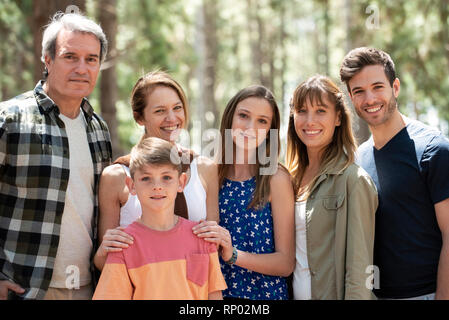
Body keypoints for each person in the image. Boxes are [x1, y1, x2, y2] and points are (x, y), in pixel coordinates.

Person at [0, 12, 112, 300]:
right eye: (70, 56)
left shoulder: (98, 128)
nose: (81, 68)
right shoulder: (10, 119)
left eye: (91, 59)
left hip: (89, 286)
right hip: (25, 286)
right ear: (47, 60)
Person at [340, 47, 449, 300]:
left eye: (378, 87)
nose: (370, 99)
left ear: (395, 87)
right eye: (359, 91)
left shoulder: (434, 150)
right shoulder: (357, 160)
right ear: (351, 97)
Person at [93, 71, 219, 271]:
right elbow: (107, 259)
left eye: (177, 108)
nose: (172, 118)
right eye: (160, 111)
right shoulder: (117, 176)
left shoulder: (204, 168)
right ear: (139, 117)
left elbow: (213, 247)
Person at [193, 85, 295, 300]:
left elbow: (285, 264)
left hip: (264, 297)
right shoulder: (209, 174)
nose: (250, 127)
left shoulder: (275, 178)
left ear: (270, 130)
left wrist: (233, 255)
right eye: (244, 116)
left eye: (262, 121)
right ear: (230, 117)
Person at [92, 137, 226, 300]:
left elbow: (214, 297)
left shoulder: (202, 239)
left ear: (181, 182)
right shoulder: (123, 245)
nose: (157, 186)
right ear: (132, 185)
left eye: (166, 177)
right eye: (146, 178)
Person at [285, 75, 378, 300]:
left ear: (338, 117)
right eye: (302, 111)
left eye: (320, 111)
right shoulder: (289, 180)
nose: (310, 121)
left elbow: (360, 269)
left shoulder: (353, 180)